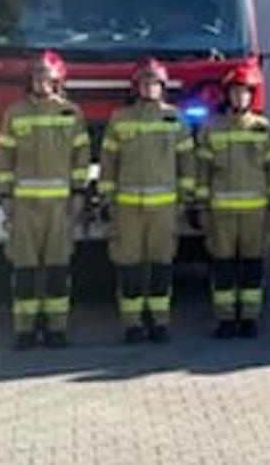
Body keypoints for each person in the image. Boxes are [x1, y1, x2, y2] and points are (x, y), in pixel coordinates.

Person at [0, 50, 89, 350]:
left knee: (58, 269)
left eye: (47, 78)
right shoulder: (15, 113)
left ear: (57, 81)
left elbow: (81, 158)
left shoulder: (71, 114)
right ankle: (24, 330)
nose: (41, 83)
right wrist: (6, 196)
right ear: (29, 81)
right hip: (24, 206)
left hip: (60, 207)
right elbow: (5, 158)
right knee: (24, 269)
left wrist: (78, 193)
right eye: (36, 78)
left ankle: (56, 329)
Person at [101, 58, 195, 343]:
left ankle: (159, 322)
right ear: (136, 88)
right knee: (129, 265)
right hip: (127, 208)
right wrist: (106, 199)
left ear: (162, 87)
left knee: (160, 264)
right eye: (144, 83)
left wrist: (186, 199)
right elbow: (108, 162)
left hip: (164, 209)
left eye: (154, 83)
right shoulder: (120, 119)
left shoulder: (176, 119)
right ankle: (132, 324)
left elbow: (187, 163)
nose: (149, 88)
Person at [195, 66, 270, 339]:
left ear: (251, 97)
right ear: (227, 96)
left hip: (255, 214)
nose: (240, 98)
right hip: (221, 214)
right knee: (223, 267)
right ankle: (224, 319)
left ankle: (249, 318)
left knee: (252, 267)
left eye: (245, 93)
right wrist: (202, 208)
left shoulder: (263, 129)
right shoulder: (212, 128)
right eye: (235, 92)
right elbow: (202, 173)